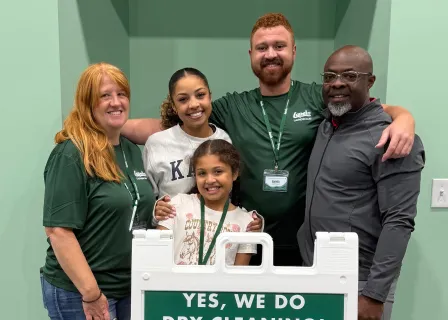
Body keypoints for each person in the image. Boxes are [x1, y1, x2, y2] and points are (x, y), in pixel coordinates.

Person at [121, 13, 416, 267]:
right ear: (251, 54)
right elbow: (177, 123)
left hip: (304, 242)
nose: (271, 53)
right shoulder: (234, 106)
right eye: (262, 47)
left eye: (279, 46)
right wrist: (112, 125)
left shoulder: (317, 96)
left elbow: (368, 107)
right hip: (246, 236)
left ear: (294, 51)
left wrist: (404, 117)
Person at [296, 46, 425, 320]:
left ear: (370, 81)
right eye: (329, 76)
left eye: (350, 75)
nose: (337, 83)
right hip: (317, 271)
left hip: (360, 283)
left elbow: (399, 221)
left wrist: (374, 295)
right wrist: (403, 113)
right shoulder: (328, 124)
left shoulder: (391, 139)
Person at [40, 62, 156, 320]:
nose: (116, 102)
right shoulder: (71, 154)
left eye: (121, 94)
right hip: (81, 293)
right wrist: (91, 294)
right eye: (105, 96)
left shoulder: (130, 150)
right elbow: (58, 231)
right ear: (87, 103)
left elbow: (130, 205)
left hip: (127, 287)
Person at [145, 67, 263, 231]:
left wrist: (247, 222)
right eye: (183, 99)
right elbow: (145, 200)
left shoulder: (224, 140)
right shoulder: (156, 144)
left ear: (210, 96)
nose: (193, 104)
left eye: (200, 95)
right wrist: (155, 211)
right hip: (171, 237)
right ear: (173, 105)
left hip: (215, 238)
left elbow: (231, 197)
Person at [156, 139, 257, 266]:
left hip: (221, 286)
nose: (209, 180)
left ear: (234, 173)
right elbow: (156, 256)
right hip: (174, 285)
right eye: (202, 173)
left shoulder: (247, 223)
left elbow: (239, 277)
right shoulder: (178, 204)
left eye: (218, 171)